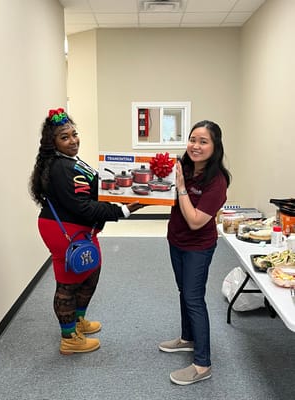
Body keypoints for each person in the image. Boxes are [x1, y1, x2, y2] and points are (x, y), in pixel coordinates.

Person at [29, 107, 143, 355]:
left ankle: (78, 321)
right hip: (64, 229)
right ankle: (69, 338)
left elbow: (92, 187)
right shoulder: (60, 167)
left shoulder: (71, 160)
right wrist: (122, 210)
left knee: (91, 271)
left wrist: (126, 185)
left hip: (80, 227)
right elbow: (82, 206)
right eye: (65, 137)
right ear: (53, 143)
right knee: (68, 283)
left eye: (74, 134)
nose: (73, 140)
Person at [159, 120, 231, 385]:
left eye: (203, 141)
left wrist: (180, 187)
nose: (195, 146)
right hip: (176, 240)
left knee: (194, 298)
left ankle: (202, 364)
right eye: (192, 139)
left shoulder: (217, 181)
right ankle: (187, 338)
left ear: (215, 146)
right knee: (184, 292)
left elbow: (196, 221)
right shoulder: (183, 168)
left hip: (198, 247)